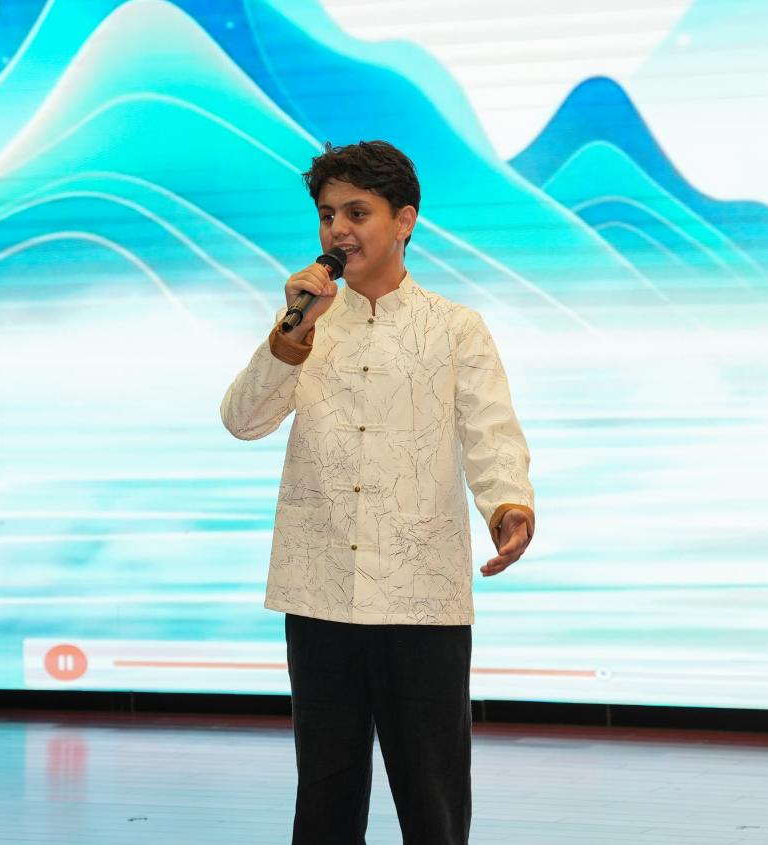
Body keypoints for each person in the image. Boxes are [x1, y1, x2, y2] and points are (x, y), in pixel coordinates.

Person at [221, 140, 534, 845]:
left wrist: (508, 505)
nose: (337, 230)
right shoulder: (304, 324)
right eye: (327, 214)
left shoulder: (455, 327)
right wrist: (292, 333)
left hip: (419, 592)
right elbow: (242, 420)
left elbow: (489, 431)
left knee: (432, 796)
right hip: (319, 587)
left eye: (356, 212)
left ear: (405, 221)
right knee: (325, 794)